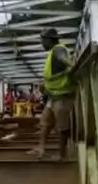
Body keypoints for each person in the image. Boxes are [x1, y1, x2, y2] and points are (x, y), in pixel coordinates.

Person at [28, 28, 74, 160]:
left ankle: (61, 155)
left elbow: (64, 59)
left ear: (49, 40)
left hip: (62, 95)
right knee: (45, 122)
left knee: (62, 127)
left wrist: (71, 65)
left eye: (43, 40)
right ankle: (40, 148)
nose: (42, 43)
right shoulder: (52, 52)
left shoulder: (59, 49)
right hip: (53, 95)